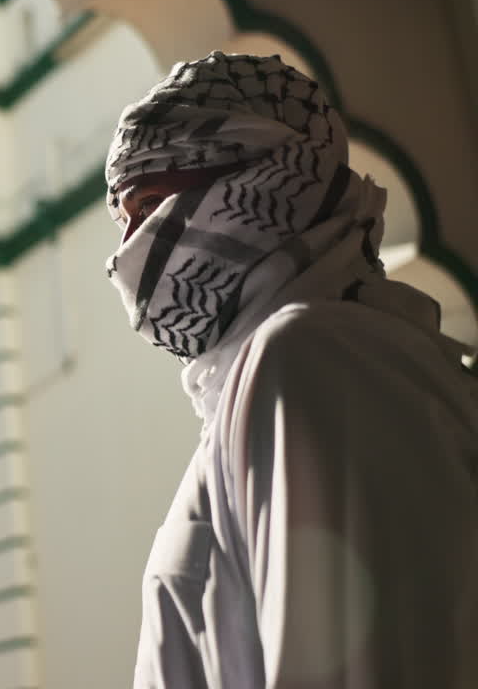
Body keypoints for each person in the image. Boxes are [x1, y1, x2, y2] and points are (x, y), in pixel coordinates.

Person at [104, 52, 478, 688]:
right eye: (123, 223)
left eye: (149, 206)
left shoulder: (312, 356)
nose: (126, 259)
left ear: (263, 176)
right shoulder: (280, 374)